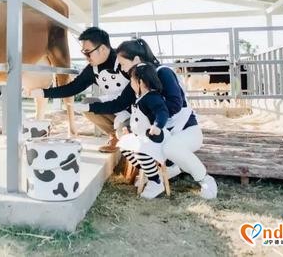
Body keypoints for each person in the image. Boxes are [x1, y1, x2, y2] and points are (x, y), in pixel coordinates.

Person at [76, 38, 218, 199]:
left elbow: (175, 103)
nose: (121, 68)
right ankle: (158, 175)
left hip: (184, 130)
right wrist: (89, 108)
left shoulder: (163, 72)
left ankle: (205, 179)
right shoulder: (137, 80)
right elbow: (118, 104)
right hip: (160, 134)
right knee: (127, 142)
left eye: (122, 64)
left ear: (136, 60)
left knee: (170, 148)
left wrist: (152, 121)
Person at [26, 27, 130, 152]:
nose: (86, 57)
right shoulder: (93, 69)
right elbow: (72, 88)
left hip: (138, 111)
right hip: (117, 108)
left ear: (102, 49)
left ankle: (128, 138)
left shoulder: (125, 61)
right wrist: (43, 92)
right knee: (87, 103)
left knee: (130, 138)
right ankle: (115, 135)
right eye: (83, 53)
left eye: (88, 52)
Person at [118, 63, 170, 199]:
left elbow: (162, 111)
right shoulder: (140, 98)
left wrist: (157, 126)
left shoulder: (152, 97)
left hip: (155, 138)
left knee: (140, 149)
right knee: (124, 145)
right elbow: (138, 119)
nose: (131, 85)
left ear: (140, 82)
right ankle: (150, 172)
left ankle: (156, 182)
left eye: (132, 81)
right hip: (142, 137)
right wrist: (129, 129)